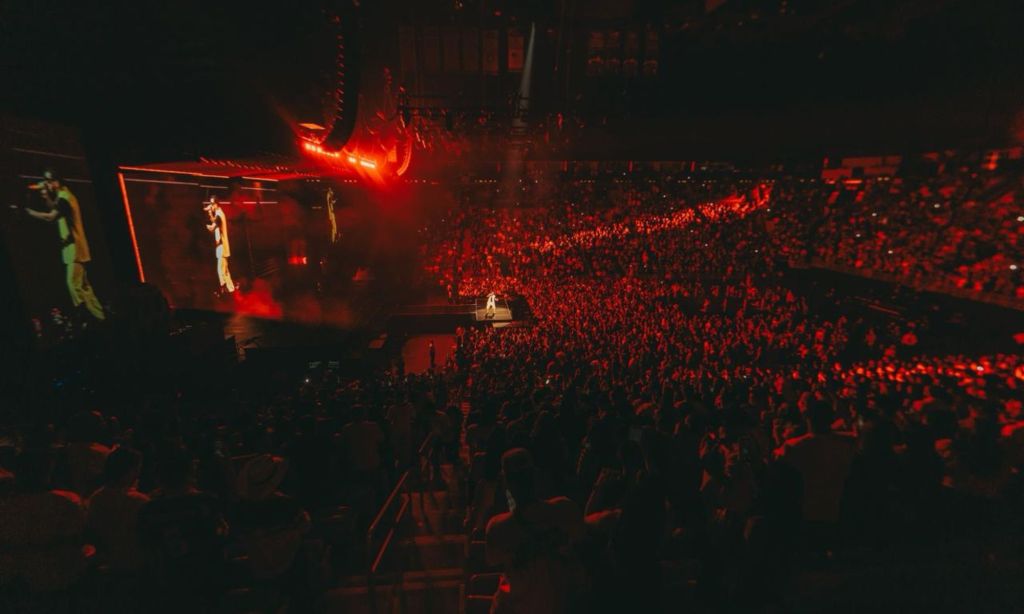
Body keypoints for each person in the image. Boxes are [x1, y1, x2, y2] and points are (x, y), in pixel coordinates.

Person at [485, 448, 586, 614]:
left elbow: (492, 560)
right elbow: (582, 537)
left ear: (506, 482)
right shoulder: (567, 509)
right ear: (536, 476)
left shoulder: (497, 528)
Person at [24, 170, 105, 320]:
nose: (47, 184)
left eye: (49, 181)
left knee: (73, 285)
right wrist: (47, 196)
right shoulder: (64, 197)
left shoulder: (65, 199)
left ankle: (88, 317)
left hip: (75, 250)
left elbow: (51, 217)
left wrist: (29, 212)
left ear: (56, 182)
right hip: (74, 250)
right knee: (84, 287)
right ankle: (100, 317)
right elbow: (54, 209)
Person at [87, 446, 150, 573]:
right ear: (129, 471)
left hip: (106, 565)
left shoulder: (95, 498)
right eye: (136, 470)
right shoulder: (139, 501)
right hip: (135, 566)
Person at [204, 195, 235, 297]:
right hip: (220, 246)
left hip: (221, 246)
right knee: (225, 269)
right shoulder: (218, 213)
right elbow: (215, 223)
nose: (210, 206)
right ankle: (231, 290)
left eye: (212, 204)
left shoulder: (219, 215)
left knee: (220, 269)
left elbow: (213, 227)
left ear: (216, 204)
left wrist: (206, 226)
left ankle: (224, 290)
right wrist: (209, 213)